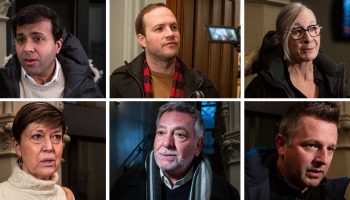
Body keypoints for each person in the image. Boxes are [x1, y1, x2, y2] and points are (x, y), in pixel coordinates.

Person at [112, 102, 239, 199]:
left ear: (198, 146)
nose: (167, 143)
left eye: (179, 134)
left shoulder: (226, 194)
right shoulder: (124, 186)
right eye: (161, 132)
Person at [110, 3, 219, 98]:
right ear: (142, 40)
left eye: (174, 27)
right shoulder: (118, 82)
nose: (170, 34)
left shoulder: (203, 85)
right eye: (159, 29)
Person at [245, 102, 349, 199]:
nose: (324, 160)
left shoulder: (334, 194)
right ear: (281, 144)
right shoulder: (244, 190)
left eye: (330, 149)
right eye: (312, 145)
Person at [0, 4, 103, 98]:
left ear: (57, 46)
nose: (27, 48)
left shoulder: (85, 86)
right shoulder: (3, 82)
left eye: (38, 38)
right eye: (21, 39)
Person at [245, 2, 346, 98]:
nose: (309, 39)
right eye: (297, 31)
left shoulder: (334, 79)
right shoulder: (260, 89)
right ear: (282, 39)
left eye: (312, 28)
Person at [0, 102, 75, 199]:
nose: (49, 147)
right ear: (17, 146)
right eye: (37, 136)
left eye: (56, 137)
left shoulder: (66, 195)